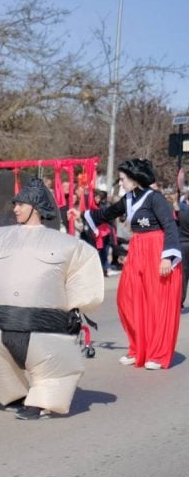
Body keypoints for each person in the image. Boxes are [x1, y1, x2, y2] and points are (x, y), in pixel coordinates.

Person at [0, 179, 104, 419]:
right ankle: (15, 394)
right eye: (15, 204)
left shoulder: (66, 244)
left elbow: (83, 266)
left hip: (41, 325)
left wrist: (77, 306)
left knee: (53, 365)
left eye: (21, 204)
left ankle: (42, 401)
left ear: (36, 207)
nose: (15, 209)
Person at [71, 158, 182, 370]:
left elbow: (169, 225)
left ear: (134, 179)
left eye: (123, 179)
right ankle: (138, 347)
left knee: (156, 303)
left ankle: (157, 354)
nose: (120, 183)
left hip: (156, 249)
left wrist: (167, 257)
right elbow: (107, 213)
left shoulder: (155, 198)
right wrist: (82, 215)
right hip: (138, 248)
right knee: (127, 298)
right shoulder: (128, 198)